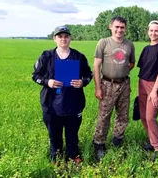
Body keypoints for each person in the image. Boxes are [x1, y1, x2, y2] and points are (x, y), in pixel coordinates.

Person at [32, 25, 92, 164]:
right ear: (54, 39)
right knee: (54, 134)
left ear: (70, 38)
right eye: (60, 36)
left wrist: (82, 82)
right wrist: (48, 82)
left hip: (73, 103)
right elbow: (35, 76)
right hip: (51, 103)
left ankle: (73, 156)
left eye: (66, 36)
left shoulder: (78, 56)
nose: (63, 39)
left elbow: (88, 75)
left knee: (72, 134)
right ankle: (56, 157)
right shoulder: (46, 56)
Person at [92, 16, 135, 162]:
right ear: (111, 27)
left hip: (124, 84)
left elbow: (131, 63)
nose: (119, 30)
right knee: (104, 116)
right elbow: (96, 66)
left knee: (123, 115)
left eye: (122, 27)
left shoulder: (129, 45)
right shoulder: (103, 43)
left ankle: (117, 140)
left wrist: (121, 72)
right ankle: (99, 144)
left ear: (125, 29)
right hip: (107, 84)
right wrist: (98, 87)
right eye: (116, 27)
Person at [137, 20, 158, 161]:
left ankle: (157, 147)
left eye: (156, 31)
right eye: (151, 30)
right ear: (148, 31)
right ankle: (151, 141)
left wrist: (154, 91)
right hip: (142, 83)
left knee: (151, 117)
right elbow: (142, 68)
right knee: (143, 117)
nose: (153, 33)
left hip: (153, 85)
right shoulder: (146, 49)